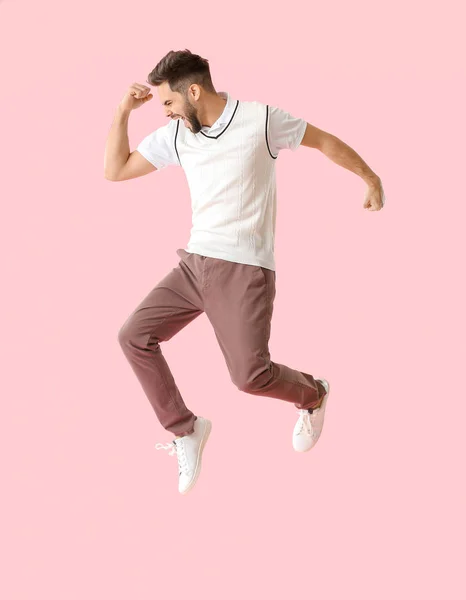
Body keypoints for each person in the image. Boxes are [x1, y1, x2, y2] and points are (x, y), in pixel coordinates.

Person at [104, 49, 385, 495]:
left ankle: (313, 393)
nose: (167, 112)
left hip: (244, 269)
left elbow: (325, 141)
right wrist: (122, 113)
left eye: (169, 102)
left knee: (250, 377)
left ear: (193, 91)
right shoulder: (179, 135)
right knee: (132, 335)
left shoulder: (261, 120)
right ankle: (186, 429)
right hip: (194, 265)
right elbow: (115, 171)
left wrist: (371, 179)